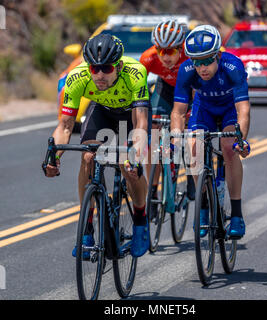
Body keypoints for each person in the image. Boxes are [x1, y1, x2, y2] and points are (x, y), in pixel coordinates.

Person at [44, 33, 150, 257]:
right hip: (101, 112)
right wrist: (54, 158)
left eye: (106, 69)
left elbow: (140, 121)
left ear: (119, 66)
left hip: (129, 117)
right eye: (94, 69)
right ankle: (87, 228)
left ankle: (141, 222)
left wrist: (136, 155)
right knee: (88, 157)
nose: (100, 75)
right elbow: (64, 126)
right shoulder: (77, 77)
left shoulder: (135, 72)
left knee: (127, 165)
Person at [171, 25, 251, 239]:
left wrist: (240, 139)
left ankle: (236, 214)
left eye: (207, 60)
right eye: (197, 62)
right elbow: (178, 112)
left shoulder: (232, 66)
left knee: (228, 147)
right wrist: (175, 138)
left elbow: (243, 109)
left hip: (228, 110)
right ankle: (203, 207)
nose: (202, 67)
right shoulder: (187, 70)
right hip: (204, 109)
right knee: (193, 148)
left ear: (217, 55)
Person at [139, 19, 195, 203]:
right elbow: (138, 91)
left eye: (170, 51)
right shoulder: (148, 58)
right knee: (153, 136)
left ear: (180, 48)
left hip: (189, 88)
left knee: (189, 130)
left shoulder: (191, 55)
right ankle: (153, 190)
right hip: (165, 88)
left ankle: (191, 175)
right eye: (160, 50)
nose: (165, 56)